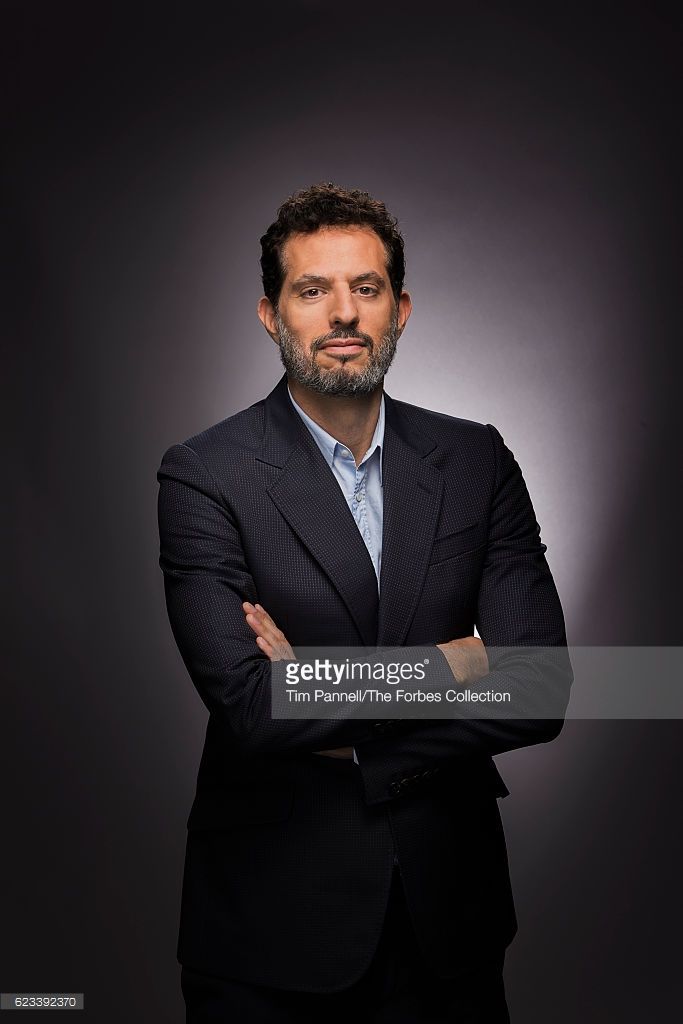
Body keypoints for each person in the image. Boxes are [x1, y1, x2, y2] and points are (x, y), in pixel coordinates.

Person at [156, 183, 572, 1022]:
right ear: (271, 315)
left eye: (366, 288)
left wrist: (328, 706)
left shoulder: (476, 459)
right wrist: (454, 666)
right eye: (312, 290)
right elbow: (252, 704)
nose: (343, 312)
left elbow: (540, 687)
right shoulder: (205, 474)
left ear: (400, 309)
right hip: (270, 929)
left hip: (448, 919)